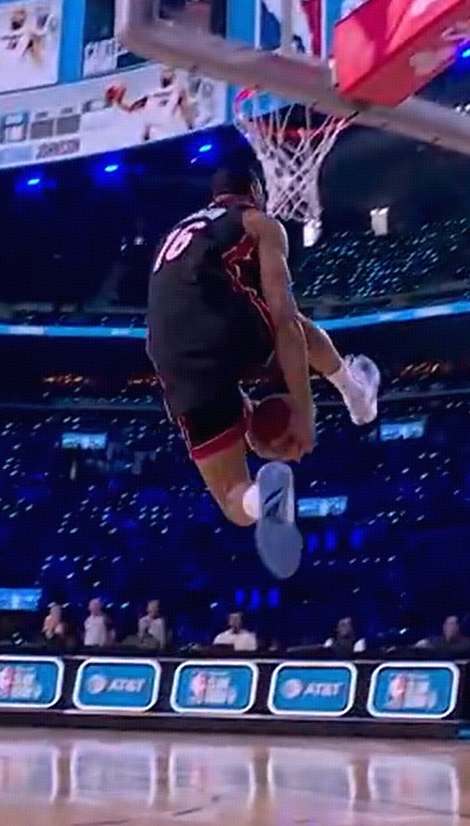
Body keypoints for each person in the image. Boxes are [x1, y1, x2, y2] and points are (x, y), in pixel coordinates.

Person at [144, 167, 380, 577]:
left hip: (171, 358)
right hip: (222, 329)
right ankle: (354, 392)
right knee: (289, 321)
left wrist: (249, 414)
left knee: (232, 499)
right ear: (254, 191)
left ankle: (260, 497)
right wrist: (303, 414)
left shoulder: (173, 235)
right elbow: (286, 325)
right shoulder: (258, 223)